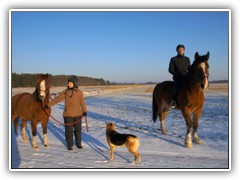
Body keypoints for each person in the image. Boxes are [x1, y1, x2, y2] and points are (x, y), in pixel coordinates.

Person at [45, 75, 87, 150]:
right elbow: (56, 100)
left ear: (74, 83)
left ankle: (78, 143)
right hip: (68, 115)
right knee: (68, 131)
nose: (68, 84)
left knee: (78, 130)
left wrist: (84, 111)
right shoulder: (65, 92)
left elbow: (82, 103)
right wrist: (48, 105)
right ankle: (69, 145)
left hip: (78, 115)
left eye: (70, 83)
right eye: (68, 83)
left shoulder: (79, 92)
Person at [168, 44, 190, 108]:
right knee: (176, 86)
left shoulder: (187, 59)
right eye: (179, 49)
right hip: (177, 77)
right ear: (177, 51)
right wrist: (176, 74)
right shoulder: (173, 59)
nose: (181, 50)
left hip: (186, 77)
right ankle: (174, 101)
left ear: (184, 50)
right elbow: (170, 69)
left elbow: (189, 68)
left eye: (182, 49)